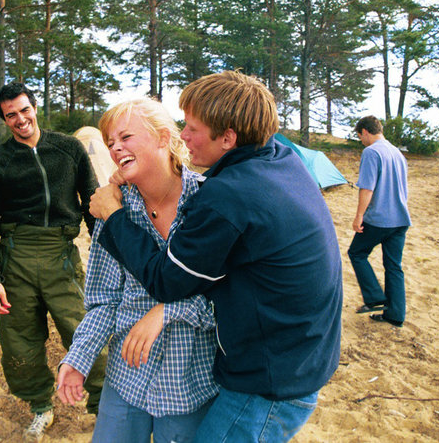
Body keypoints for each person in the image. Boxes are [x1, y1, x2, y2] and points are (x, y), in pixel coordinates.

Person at [89, 71, 342, 443]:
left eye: (192, 128)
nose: (183, 136)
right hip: (305, 356)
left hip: (268, 383)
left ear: (228, 138)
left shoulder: (228, 196)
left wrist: (113, 216)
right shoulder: (281, 161)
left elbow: (166, 282)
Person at [56, 98, 218, 443]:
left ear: (162, 138)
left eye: (125, 137)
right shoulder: (112, 209)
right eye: (110, 142)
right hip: (127, 379)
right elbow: (104, 300)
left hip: (189, 385)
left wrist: (168, 311)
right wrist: (78, 359)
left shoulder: (209, 202)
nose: (115, 148)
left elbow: (229, 299)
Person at [0, 82, 106, 442]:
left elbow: (93, 203)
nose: (20, 120)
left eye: (24, 110)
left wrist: (106, 251)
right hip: (15, 258)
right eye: (10, 115)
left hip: (62, 255)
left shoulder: (68, 149)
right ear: (3, 119)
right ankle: (40, 408)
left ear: (35, 107)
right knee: (20, 340)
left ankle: (102, 406)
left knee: (84, 329)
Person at [348, 115, 411, 328]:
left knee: (356, 253)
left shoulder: (371, 152)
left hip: (380, 219)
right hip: (401, 218)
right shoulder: (397, 153)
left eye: (360, 137)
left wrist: (359, 217)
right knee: (394, 266)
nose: (361, 141)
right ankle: (395, 315)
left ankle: (375, 299)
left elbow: (367, 187)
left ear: (365, 131)